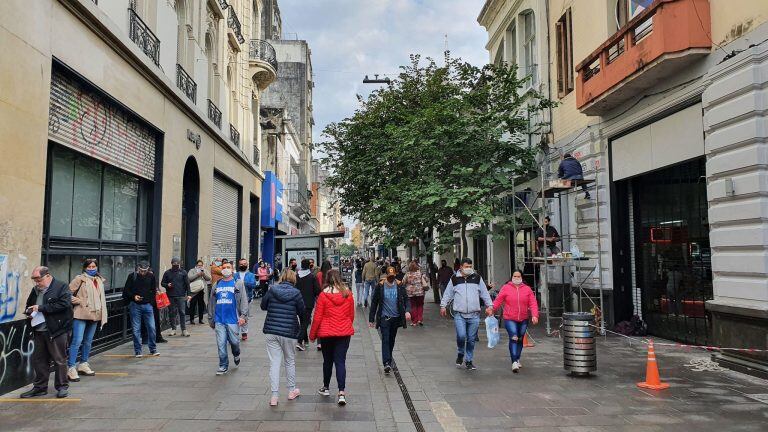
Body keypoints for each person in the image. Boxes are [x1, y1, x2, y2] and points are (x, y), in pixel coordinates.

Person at [21, 266, 72, 399]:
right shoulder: (36, 290)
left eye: (39, 280)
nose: (37, 283)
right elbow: (29, 304)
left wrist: (41, 308)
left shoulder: (61, 287)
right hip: (39, 329)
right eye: (35, 280)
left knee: (59, 359)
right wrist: (29, 311)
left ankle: (62, 387)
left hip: (56, 330)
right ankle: (39, 387)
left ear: (48, 276)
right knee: (39, 360)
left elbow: (65, 304)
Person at [309, 270, 355, 406]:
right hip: (344, 333)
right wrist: (345, 325)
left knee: (327, 361)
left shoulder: (323, 295)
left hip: (327, 333)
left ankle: (326, 387)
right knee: (340, 362)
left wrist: (312, 335)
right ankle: (341, 393)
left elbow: (317, 317)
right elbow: (351, 315)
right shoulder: (348, 294)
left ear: (326, 279)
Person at [261, 269, 305, 406]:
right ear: (293, 279)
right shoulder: (296, 293)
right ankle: (292, 391)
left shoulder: (272, 289)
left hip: (271, 330)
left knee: (274, 363)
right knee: (289, 361)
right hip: (289, 331)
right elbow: (302, 312)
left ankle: (274, 396)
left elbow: (263, 306)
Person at [440, 258, 493, 370]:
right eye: (466, 266)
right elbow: (448, 293)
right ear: (461, 267)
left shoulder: (477, 278)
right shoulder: (454, 279)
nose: (468, 268)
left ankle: (469, 360)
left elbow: (484, 293)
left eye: (470, 266)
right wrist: (443, 305)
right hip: (459, 314)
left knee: (471, 339)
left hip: (474, 314)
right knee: (461, 335)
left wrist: (490, 306)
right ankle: (460, 352)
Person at [67, 258, 108, 382]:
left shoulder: (99, 280)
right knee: (77, 341)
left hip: (95, 314)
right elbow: (66, 293)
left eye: (93, 267)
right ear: (85, 268)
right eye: (89, 267)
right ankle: (71, 367)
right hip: (80, 314)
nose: (91, 269)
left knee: (88, 341)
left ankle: (83, 363)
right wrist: (78, 301)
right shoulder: (79, 279)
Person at [492, 270, 539, 373]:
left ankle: (517, 358)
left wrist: (535, 315)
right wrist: (491, 309)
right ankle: (513, 362)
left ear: (521, 277)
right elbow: (498, 300)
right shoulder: (506, 288)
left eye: (518, 276)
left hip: (523, 318)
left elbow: (533, 303)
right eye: (515, 276)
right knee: (514, 337)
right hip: (509, 318)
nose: (516, 278)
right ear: (511, 277)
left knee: (520, 339)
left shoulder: (527, 289)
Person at [208, 261, 249, 375]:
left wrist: (243, 316)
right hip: (219, 320)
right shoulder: (216, 284)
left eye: (228, 267)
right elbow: (211, 302)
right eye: (224, 267)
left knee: (235, 342)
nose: (226, 269)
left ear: (232, 269)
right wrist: (211, 318)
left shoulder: (238, 283)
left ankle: (236, 354)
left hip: (233, 320)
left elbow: (244, 301)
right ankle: (223, 365)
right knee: (221, 344)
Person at [368, 266, 411, 374]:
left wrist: (407, 311)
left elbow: (406, 299)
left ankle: (389, 357)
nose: (391, 278)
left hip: (396, 317)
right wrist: (371, 319)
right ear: (386, 276)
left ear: (395, 274)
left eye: (393, 276)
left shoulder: (400, 285)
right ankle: (386, 362)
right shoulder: (380, 286)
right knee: (385, 339)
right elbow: (374, 302)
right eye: (389, 276)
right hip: (384, 317)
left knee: (391, 340)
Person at [123, 261, 160, 358]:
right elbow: (126, 291)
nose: (143, 272)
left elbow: (153, 290)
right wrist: (133, 297)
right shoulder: (132, 276)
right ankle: (138, 351)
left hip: (148, 305)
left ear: (148, 269)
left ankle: (153, 349)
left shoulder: (151, 276)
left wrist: (151, 302)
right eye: (141, 271)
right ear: (138, 268)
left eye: (145, 271)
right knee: (136, 329)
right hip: (135, 305)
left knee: (152, 328)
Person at [161, 257, 192, 337]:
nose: (175, 265)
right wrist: (167, 285)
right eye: (174, 264)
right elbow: (162, 283)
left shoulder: (183, 272)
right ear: (171, 264)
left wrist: (189, 294)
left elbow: (187, 284)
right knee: (172, 312)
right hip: (170, 295)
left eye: (177, 264)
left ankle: (184, 329)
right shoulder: (167, 273)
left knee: (182, 312)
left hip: (181, 295)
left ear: (179, 264)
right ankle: (173, 329)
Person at [295, 259, 321, 351]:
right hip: (308, 303)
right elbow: (317, 290)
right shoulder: (312, 277)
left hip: (298, 302)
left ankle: (305, 341)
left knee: (302, 321)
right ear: (309, 265)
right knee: (305, 322)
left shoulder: (297, 276)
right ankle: (299, 341)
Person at [235, 258, 258, 341]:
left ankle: (244, 332)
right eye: (241, 264)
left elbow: (253, 285)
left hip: (247, 298)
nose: (243, 265)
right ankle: (235, 332)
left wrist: (242, 283)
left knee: (244, 315)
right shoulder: (235, 275)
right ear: (238, 265)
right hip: (236, 298)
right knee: (236, 315)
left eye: (244, 264)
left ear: (247, 265)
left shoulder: (251, 275)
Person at [404, 261, 428, 326]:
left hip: (410, 293)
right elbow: (426, 280)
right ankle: (420, 319)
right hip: (420, 292)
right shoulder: (420, 273)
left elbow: (403, 282)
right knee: (420, 305)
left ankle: (414, 321)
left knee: (413, 306)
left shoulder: (407, 274)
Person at [188, 260, 210, 326]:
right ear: (196, 265)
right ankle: (191, 319)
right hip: (194, 291)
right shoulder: (192, 270)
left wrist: (204, 274)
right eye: (198, 265)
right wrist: (198, 274)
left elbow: (209, 278)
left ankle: (201, 319)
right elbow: (189, 278)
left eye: (201, 265)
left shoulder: (204, 270)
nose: (200, 267)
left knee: (201, 305)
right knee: (193, 305)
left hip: (202, 290)